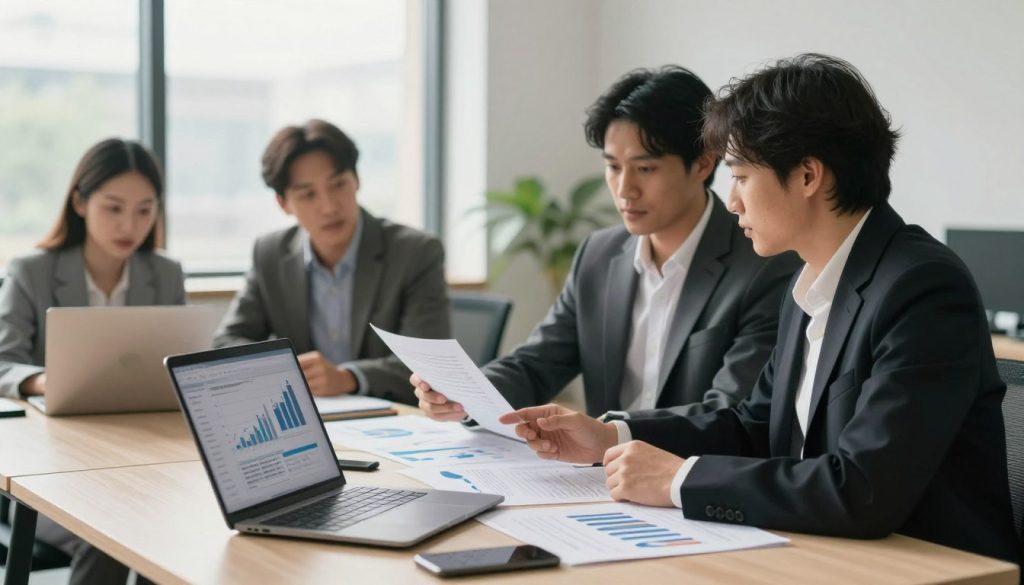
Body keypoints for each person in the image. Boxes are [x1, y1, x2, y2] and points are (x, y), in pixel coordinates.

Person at [499, 54, 1021, 565]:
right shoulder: (812, 278)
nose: (731, 202)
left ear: (808, 176)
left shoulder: (921, 287)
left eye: (741, 176)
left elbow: (862, 487)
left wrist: (679, 480)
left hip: (927, 568)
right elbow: (752, 425)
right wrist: (612, 435)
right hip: (821, 553)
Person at [414, 66, 799, 421]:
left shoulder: (764, 265)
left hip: (687, 479)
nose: (624, 189)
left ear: (702, 164)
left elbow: (731, 411)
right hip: (598, 477)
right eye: (613, 167)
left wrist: (608, 432)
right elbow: (537, 364)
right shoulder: (598, 255)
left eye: (645, 168)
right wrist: (465, 394)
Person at [0, 138, 179, 584]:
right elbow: (3, 361)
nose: (129, 225)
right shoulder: (31, 271)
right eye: (114, 208)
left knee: (180, 524)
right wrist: (43, 381)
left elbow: (185, 362)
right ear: (80, 202)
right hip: (51, 467)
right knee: (115, 528)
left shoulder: (165, 274)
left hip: (143, 460)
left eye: (144, 210)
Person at [213, 119, 449, 404]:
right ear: (283, 203)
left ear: (357, 180)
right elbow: (227, 343)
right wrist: (287, 371)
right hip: (309, 418)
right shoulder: (270, 254)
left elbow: (429, 365)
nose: (329, 206)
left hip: (393, 419)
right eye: (308, 194)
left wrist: (348, 377)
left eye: (338, 184)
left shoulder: (415, 252)